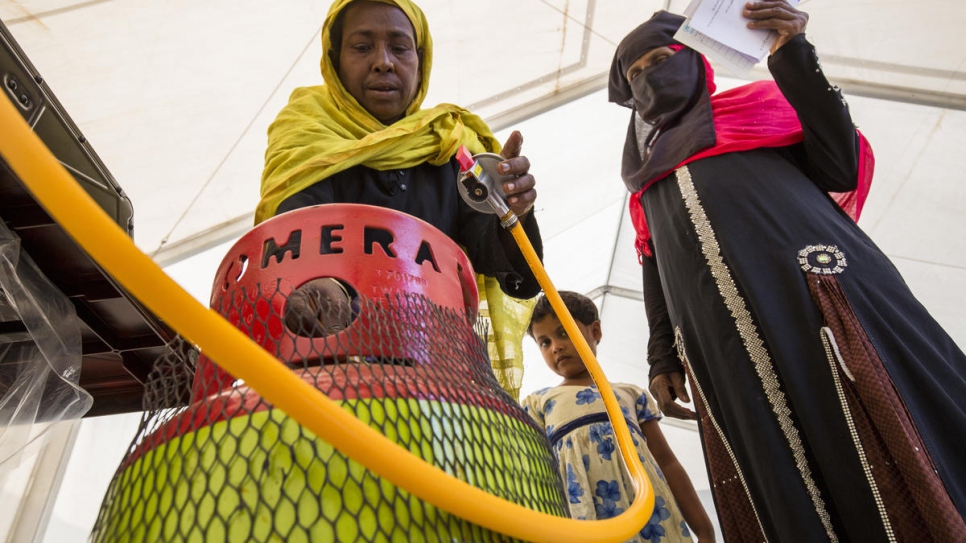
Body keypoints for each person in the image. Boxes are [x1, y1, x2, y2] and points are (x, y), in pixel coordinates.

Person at [608, 4, 966, 542]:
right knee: (779, 465)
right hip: (722, 345)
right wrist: (662, 355)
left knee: (868, 427)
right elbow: (654, 267)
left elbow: (840, 165)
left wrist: (791, 52)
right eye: (634, 74)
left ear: (696, 60)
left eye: (660, 59)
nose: (647, 77)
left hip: (814, 303)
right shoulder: (643, 182)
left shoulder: (762, 106)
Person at [257, 0, 543, 398]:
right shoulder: (305, 135)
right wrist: (317, 283)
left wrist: (513, 213)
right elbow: (299, 229)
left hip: (439, 382)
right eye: (361, 47)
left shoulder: (452, 147)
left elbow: (506, 266)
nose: (383, 62)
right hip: (327, 378)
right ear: (334, 59)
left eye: (399, 47)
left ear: (420, 59)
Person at [522, 291, 715, 543]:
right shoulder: (538, 404)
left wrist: (704, 530)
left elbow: (667, 463)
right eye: (544, 342)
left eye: (563, 332)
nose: (556, 346)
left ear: (596, 331)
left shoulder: (631, 395)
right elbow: (534, 477)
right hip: (586, 528)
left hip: (653, 522)